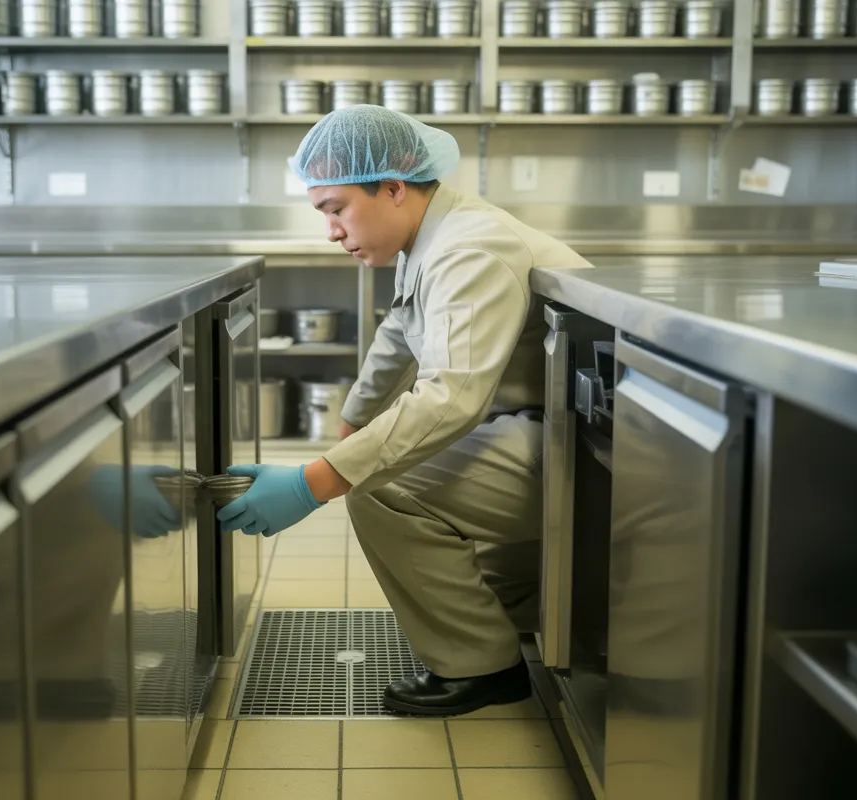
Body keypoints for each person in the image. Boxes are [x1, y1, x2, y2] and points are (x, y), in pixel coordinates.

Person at [218, 104, 592, 716]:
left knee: (384, 489)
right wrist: (348, 428)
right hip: (544, 430)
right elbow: (399, 332)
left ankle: (482, 667)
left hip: (585, 450)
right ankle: (518, 613)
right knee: (395, 478)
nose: (332, 231)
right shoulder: (435, 236)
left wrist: (319, 481)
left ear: (393, 187)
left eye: (336, 208)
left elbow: (449, 400)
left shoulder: (469, 249)